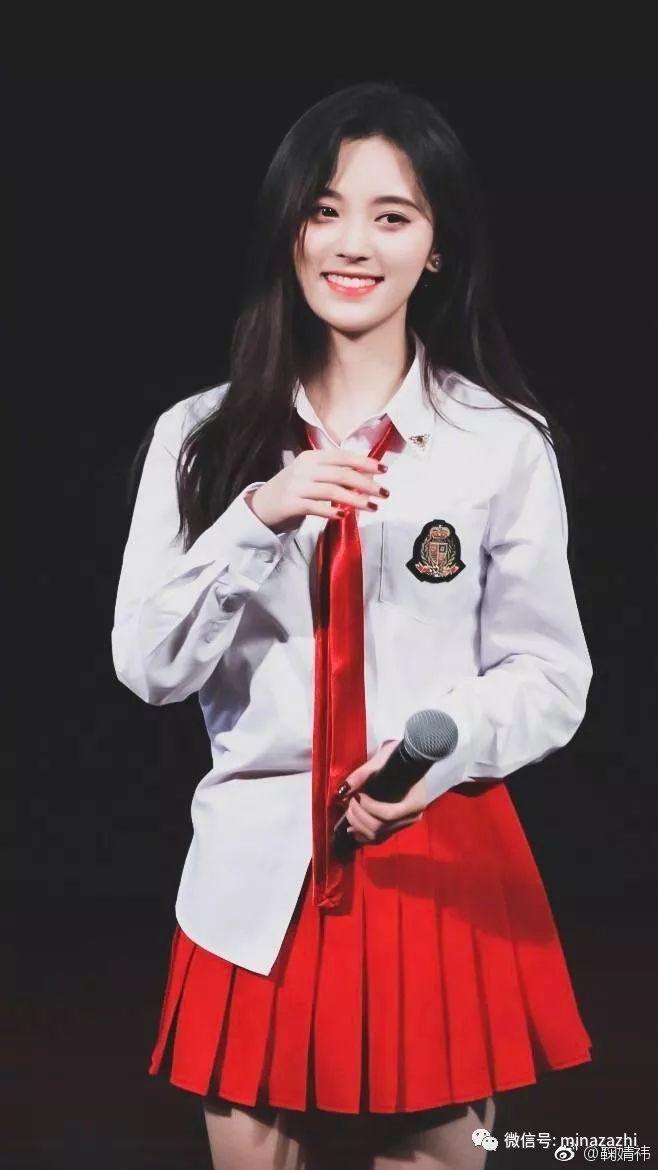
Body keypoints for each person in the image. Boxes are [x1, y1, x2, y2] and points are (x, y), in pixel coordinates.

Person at [111, 81, 594, 1170]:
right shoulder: (197, 439)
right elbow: (147, 665)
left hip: (433, 851)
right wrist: (257, 517)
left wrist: (440, 747)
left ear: (437, 246)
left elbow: (548, 674)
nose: (353, 244)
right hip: (255, 870)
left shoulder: (501, 443)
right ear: (289, 228)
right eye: (325, 210)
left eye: (393, 215)